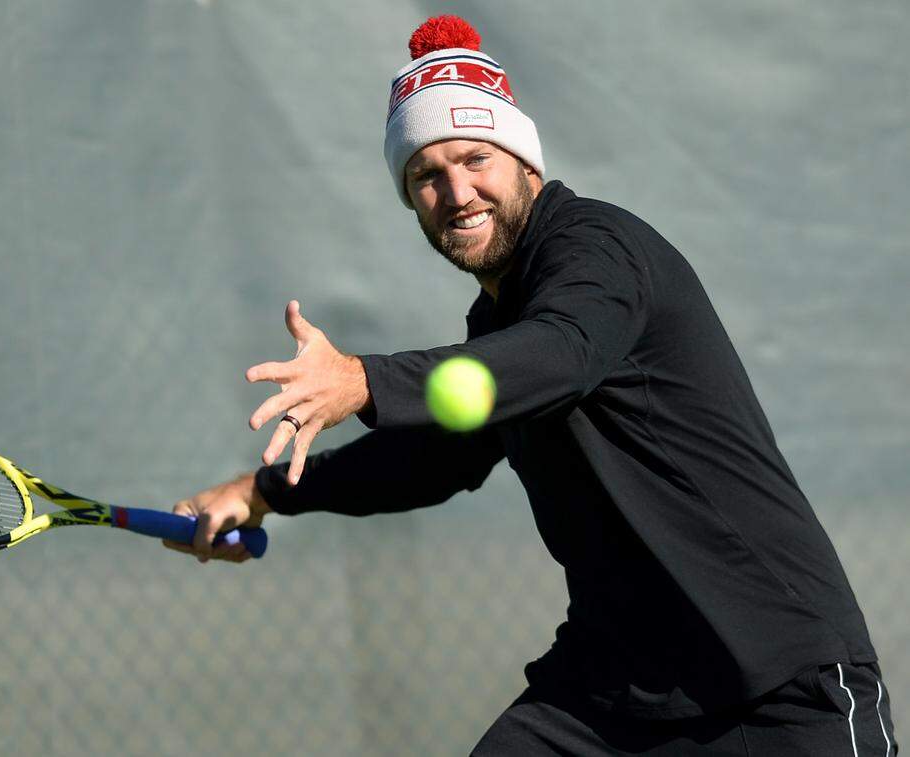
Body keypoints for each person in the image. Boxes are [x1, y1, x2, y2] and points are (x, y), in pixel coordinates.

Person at [163, 15, 898, 756]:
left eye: (476, 158)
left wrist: (362, 378)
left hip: (774, 687)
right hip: (614, 695)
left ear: (526, 164)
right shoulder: (498, 324)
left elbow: (562, 353)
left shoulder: (598, 253)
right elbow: (427, 457)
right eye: (426, 175)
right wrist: (263, 491)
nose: (457, 191)